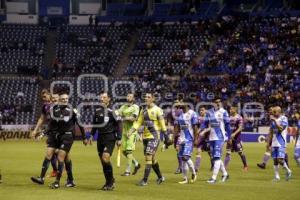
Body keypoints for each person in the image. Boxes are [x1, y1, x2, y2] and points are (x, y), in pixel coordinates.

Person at [31, 92, 88, 189]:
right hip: (57, 136)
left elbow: (80, 125)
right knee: (49, 154)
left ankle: (57, 182)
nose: (65, 100)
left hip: (68, 136)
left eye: (66, 99)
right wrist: (42, 134)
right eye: (63, 99)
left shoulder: (73, 111)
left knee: (61, 158)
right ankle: (42, 178)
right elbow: (51, 125)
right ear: (59, 100)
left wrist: (84, 137)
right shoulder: (54, 110)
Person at [127, 93, 172, 186]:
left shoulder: (158, 110)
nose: (146, 98)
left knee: (148, 156)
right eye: (145, 97)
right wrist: (131, 131)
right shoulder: (143, 110)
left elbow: (162, 124)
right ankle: (160, 177)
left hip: (154, 137)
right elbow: (138, 123)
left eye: (148, 97)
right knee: (152, 158)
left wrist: (166, 137)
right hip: (146, 137)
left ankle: (145, 180)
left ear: (153, 99)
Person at [89, 93, 121, 191]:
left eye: (104, 97)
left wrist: (119, 138)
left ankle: (111, 182)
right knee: (103, 162)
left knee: (105, 158)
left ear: (109, 99)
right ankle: (108, 182)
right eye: (101, 97)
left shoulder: (113, 111)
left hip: (110, 138)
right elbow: (95, 125)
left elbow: (119, 124)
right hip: (100, 139)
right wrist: (91, 135)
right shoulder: (97, 111)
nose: (102, 99)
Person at [31, 90, 58, 177]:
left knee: (58, 151)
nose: (44, 99)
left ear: (50, 95)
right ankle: (55, 170)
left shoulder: (57, 104)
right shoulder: (45, 106)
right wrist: (35, 130)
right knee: (51, 151)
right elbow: (42, 119)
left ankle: (64, 172)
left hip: (60, 131)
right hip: (51, 130)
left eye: (45, 96)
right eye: (42, 97)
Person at [204, 98, 231, 184]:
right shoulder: (209, 112)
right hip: (211, 137)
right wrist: (202, 133)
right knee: (216, 157)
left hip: (220, 137)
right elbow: (205, 124)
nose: (218, 103)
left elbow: (227, 126)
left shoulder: (224, 112)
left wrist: (229, 137)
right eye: (216, 102)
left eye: (219, 102)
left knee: (216, 157)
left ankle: (214, 178)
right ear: (213, 103)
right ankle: (225, 174)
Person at [115, 93, 141, 176]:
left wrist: (124, 118)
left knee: (129, 151)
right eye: (127, 96)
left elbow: (134, 118)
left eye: (130, 96)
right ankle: (136, 164)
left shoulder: (135, 107)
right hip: (124, 131)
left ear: (133, 98)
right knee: (124, 151)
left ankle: (128, 171)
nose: (128, 97)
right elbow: (117, 114)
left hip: (132, 131)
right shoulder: (123, 106)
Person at [174, 102, 198, 184]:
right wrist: (176, 140)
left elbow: (195, 127)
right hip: (182, 139)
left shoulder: (192, 114)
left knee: (185, 157)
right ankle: (185, 179)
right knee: (182, 159)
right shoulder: (179, 116)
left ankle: (194, 173)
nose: (180, 105)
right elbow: (177, 129)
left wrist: (195, 139)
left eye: (182, 103)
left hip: (189, 139)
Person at [270, 106, 292, 181]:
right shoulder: (272, 119)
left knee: (280, 160)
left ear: (279, 112)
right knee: (275, 160)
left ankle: (288, 171)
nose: (273, 113)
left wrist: (275, 121)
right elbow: (272, 131)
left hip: (281, 141)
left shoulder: (284, 118)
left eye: (274, 111)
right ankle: (277, 176)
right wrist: (269, 143)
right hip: (274, 142)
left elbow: (281, 129)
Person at [224, 105, 248, 171]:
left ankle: (245, 166)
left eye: (231, 109)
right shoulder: (228, 118)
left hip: (237, 138)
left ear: (235, 110)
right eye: (230, 109)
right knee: (228, 152)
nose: (230, 110)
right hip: (230, 137)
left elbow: (240, 127)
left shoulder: (239, 117)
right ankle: (224, 167)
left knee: (240, 152)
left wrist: (234, 134)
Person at [194, 106, 212, 172]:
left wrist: (204, 131)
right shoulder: (198, 118)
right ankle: (196, 168)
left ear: (205, 111)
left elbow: (210, 128)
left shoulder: (208, 118)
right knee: (198, 151)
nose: (201, 111)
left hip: (207, 138)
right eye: (200, 110)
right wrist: (197, 133)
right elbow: (198, 127)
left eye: (202, 110)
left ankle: (213, 165)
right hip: (201, 138)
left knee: (210, 153)